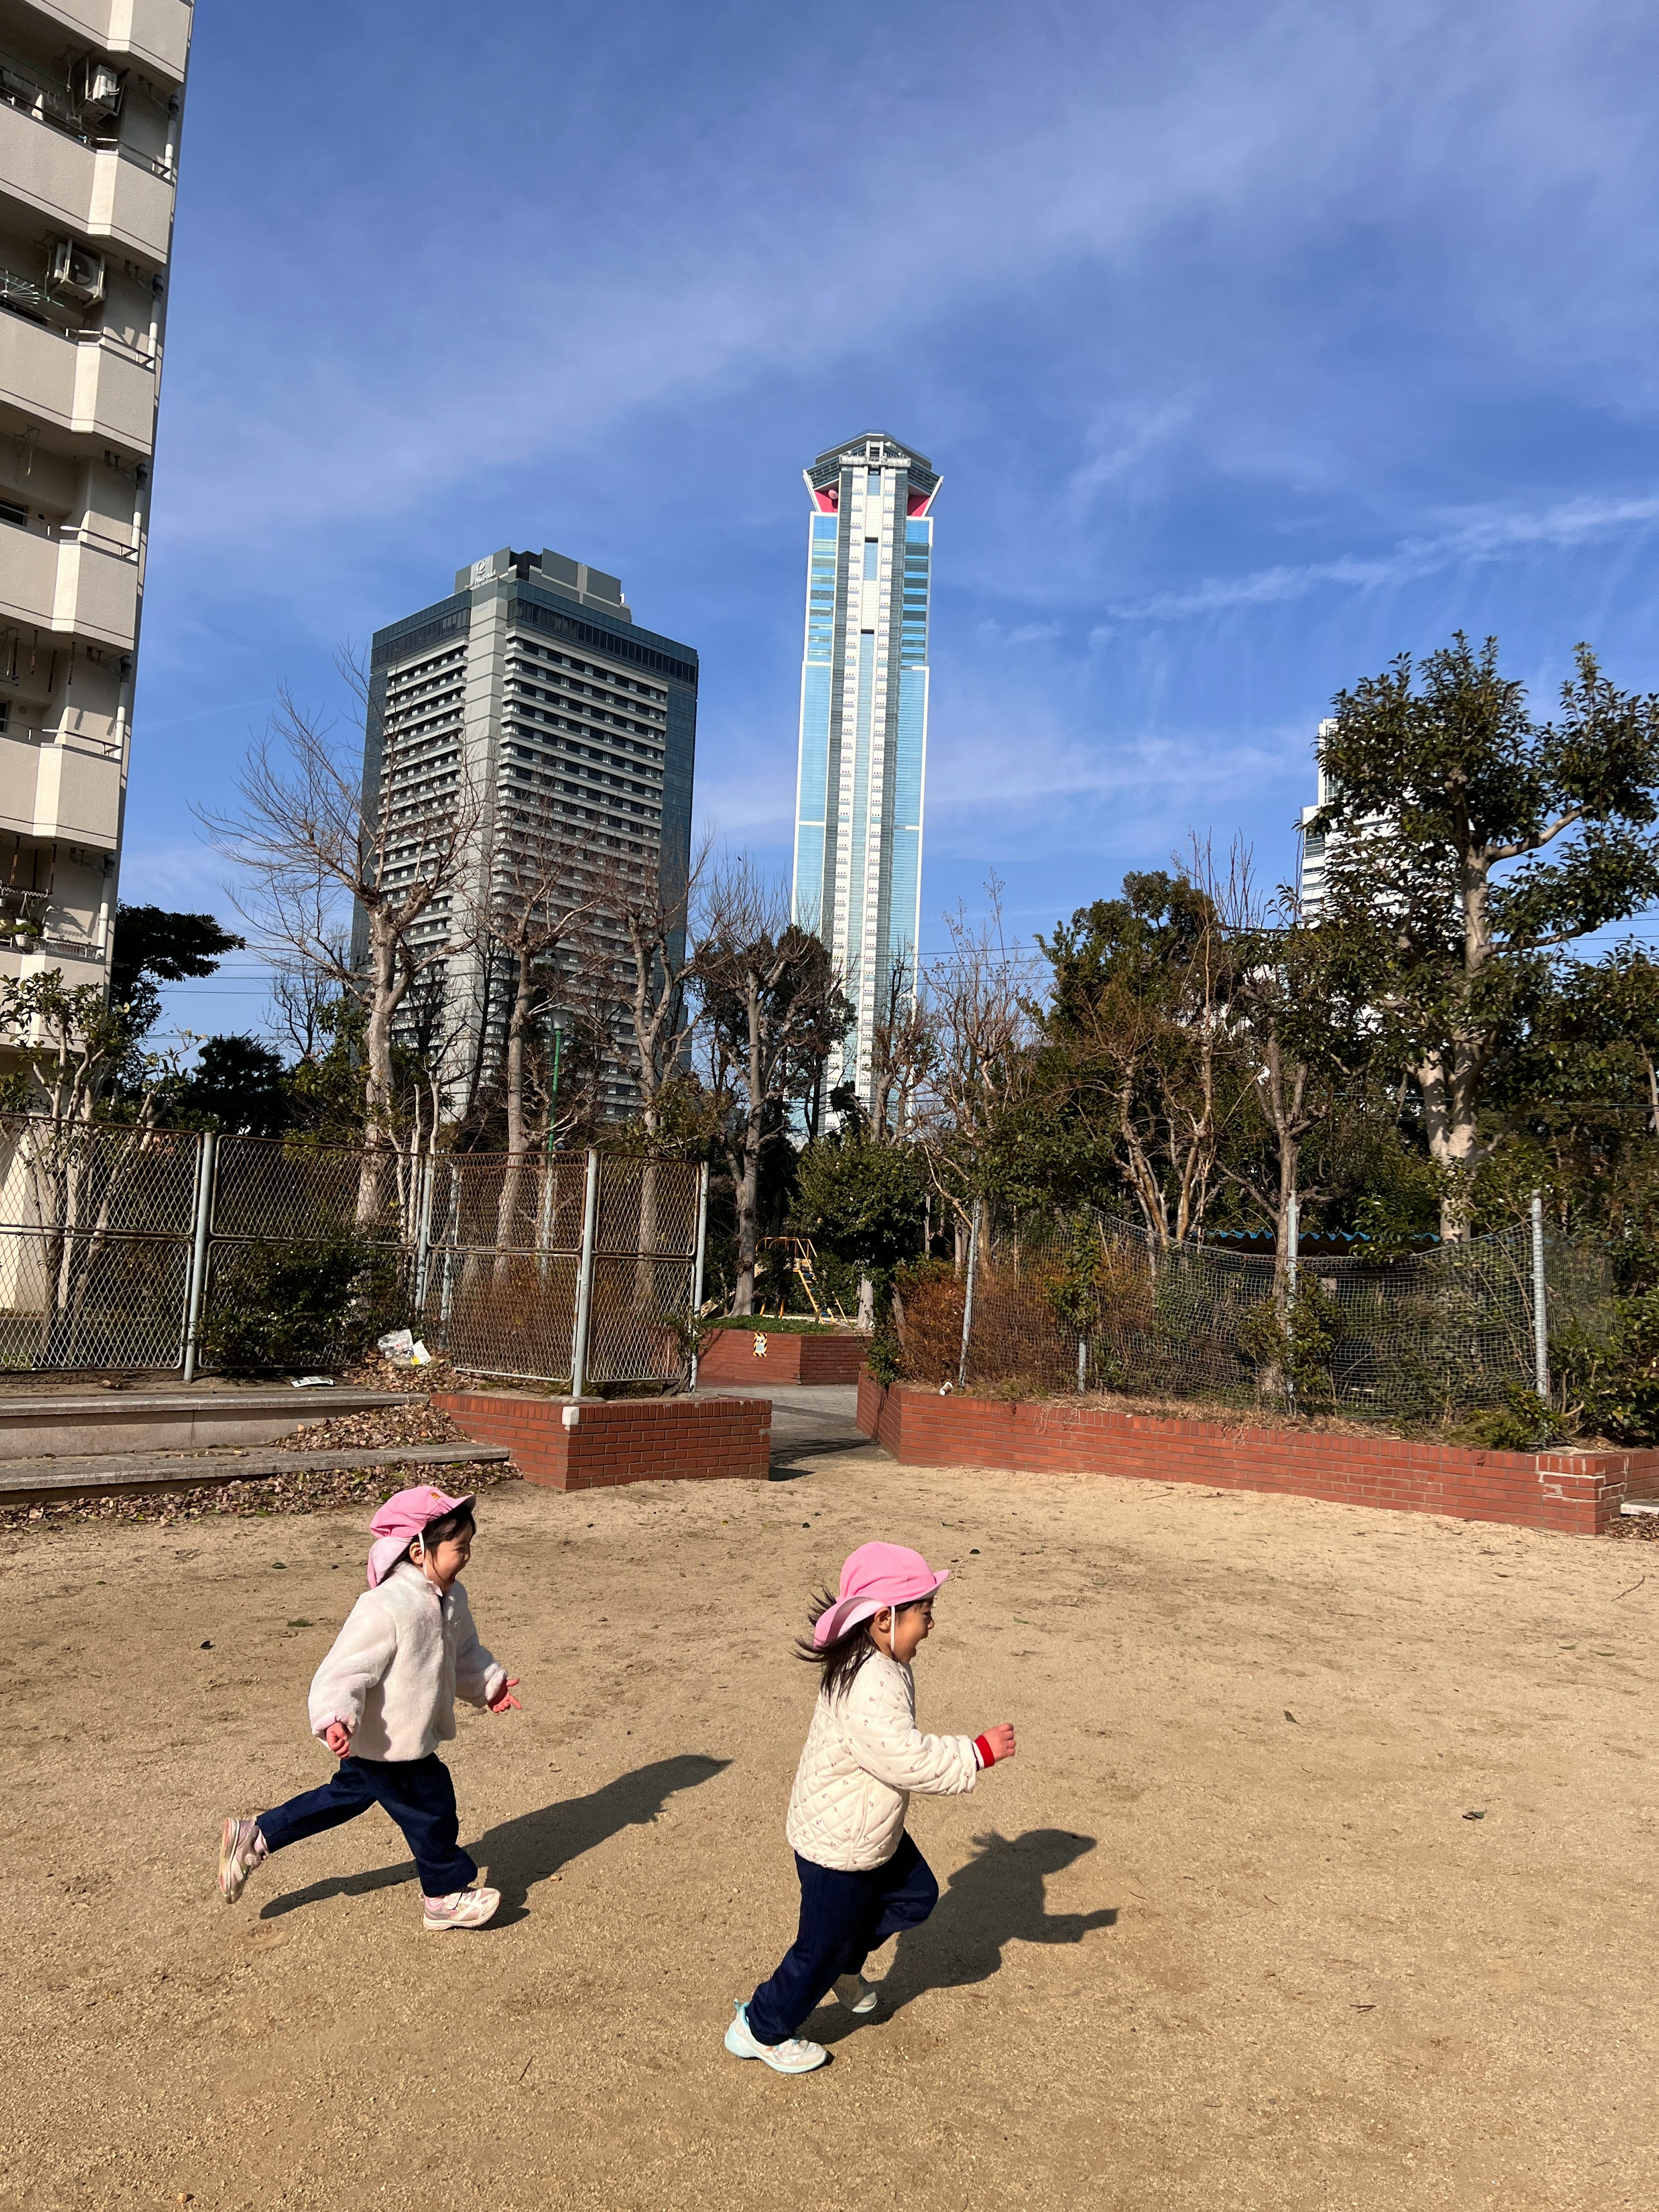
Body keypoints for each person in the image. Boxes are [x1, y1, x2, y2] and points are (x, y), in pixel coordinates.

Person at [726, 1541, 1017, 2075]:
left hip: (866, 1827)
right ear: (884, 1618)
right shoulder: (869, 1682)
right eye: (924, 1613)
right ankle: (761, 2026)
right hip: (839, 1845)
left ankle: (845, 1962)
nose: (931, 1624)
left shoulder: (879, 1657)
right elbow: (904, 1756)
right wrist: (975, 1753)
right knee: (818, 1949)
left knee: (917, 1894)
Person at [216, 1484, 521, 1932]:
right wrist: (335, 1716)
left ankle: (257, 1834)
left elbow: (463, 1653)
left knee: (347, 1796)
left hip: (393, 1738)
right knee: (431, 1804)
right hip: (391, 1738)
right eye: (460, 1548)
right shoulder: (387, 1606)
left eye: (470, 1546)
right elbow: (345, 1669)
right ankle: (443, 1894)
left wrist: (489, 1684)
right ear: (419, 1551)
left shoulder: (453, 1600)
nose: (468, 1556)